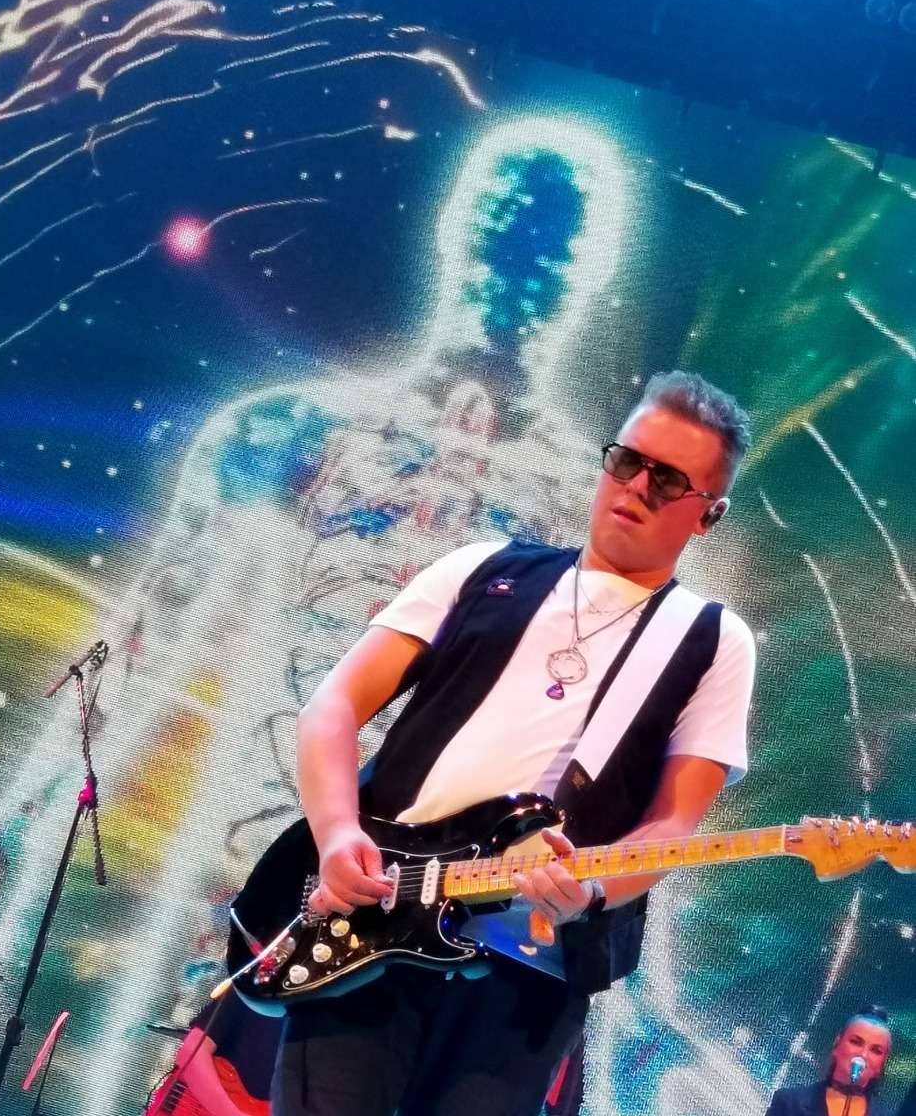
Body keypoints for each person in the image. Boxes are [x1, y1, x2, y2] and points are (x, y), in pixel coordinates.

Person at [278, 370, 757, 1116]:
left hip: (529, 970)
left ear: (708, 515)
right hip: (377, 912)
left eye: (667, 480)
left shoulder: (714, 640)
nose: (635, 486)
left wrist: (590, 891)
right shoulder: (481, 567)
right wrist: (337, 832)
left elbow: (672, 825)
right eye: (627, 460)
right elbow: (333, 705)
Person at [767, 1009, 894, 1116]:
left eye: (876, 1050)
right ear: (837, 1044)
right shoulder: (790, 1102)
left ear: (882, 1064)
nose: (863, 1054)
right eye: (856, 1042)